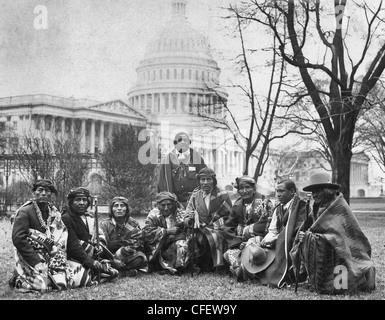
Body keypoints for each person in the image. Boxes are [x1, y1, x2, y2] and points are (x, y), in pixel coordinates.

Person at [290, 172, 375, 294]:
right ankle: (313, 278)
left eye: (318, 190)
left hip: (342, 252)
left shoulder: (339, 207)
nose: (315, 195)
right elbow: (306, 228)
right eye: (313, 192)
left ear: (327, 190)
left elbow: (341, 237)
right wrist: (303, 235)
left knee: (316, 242)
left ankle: (329, 282)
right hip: (326, 248)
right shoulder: (316, 208)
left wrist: (310, 237)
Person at [238, 179, 307, 286]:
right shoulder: (278, 208)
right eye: (277, 191)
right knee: (254, 242)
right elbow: (272, 230)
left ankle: (274, 273)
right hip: (278, 241)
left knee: (271, 269)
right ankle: (246, 269)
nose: (278, 194)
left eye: (281, 191)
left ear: (292, 191)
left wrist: (276, 239)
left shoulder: (301, 206)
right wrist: (266, 240)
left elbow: (297, 229)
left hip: (293, 242)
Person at [10, 179, 74, 292]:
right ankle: (19, 279)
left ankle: (50, 272)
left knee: (62, 283)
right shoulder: (25, 212)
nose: (44, 193)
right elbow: (18, 239)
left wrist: (56, 248)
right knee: (44, 286)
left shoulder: (54, 212)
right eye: (40, 190)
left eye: (47, 190)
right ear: (34, 193)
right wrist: (36, 262)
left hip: (51, 255)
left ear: (51, 194)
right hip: (30, 257)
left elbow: (62, 232)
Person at [61, 187, 119, 286]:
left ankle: (99, 271)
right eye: (77, 200)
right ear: (71, 202)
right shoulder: (66, 218)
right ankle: (92, 273)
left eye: (84, 200)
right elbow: (73, 246)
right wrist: (90, 262)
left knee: (113, 272)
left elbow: (96, 237)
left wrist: (98, 247)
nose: (82, 203)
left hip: (90, 255)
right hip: (74, 257)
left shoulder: (89, 218)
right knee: (82, 279)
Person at [222, 176, 274, 281]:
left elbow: (270, 224)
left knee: (255, 254)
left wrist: (250, 232)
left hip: (259, 241)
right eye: (241, 188)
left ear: (254, 188)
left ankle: (247, 270)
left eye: (247, 187)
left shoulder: (265, 203)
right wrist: (237, 242)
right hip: (241, 242)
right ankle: (241, 268)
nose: (244, 191)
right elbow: (228, 226)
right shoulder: (237, 205)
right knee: (229, 253)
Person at [184, 167, 232, 273]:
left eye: (209, 179)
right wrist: (189, 219)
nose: (205, 182)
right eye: (203, 179)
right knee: (193, 237)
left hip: (218, 227)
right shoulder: (195, 195)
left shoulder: (222, 194)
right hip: (199, 227)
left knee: (215, 236)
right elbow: (188, 212)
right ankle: (196, 265)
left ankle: (218, 266)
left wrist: (212, 226)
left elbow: (229, 216)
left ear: (214, 181)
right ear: (199, 181)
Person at [98, 196, 148, 278]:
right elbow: (102, 244)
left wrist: (121, 252)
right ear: (111, 209)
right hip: (108, 257)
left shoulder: (133, 224)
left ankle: (116, 272)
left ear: (127, 209)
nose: (119, 208)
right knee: (99, 261)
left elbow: (138, 243)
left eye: (122, 206)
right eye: (116, 206)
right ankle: (123, 272)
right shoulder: (104, 224)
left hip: (125, 255)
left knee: (140, 258)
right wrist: (113, 260)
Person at [143, 191, 188, 275]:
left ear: (174, 204)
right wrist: (165, 231)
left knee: (182, 244)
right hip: (159, 246)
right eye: (163, 205)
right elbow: (146, 232)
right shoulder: (154, 214)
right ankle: (160, 265)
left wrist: (176, 237)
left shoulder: (180, 213)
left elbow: (186, 230)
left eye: (169, 204)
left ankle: (179, 267)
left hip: (175, 243)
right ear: (158, 205)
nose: (166, 208)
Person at [157, 131, 206, 207]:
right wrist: (170, 198)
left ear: (189, 143)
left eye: (185, 140)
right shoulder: (167, 160)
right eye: (179, 140)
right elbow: (162, 183)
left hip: (195, 202)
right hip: (175, 203)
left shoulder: (197, 158)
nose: (183, 142)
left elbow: (205, 177)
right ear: (175, 143)